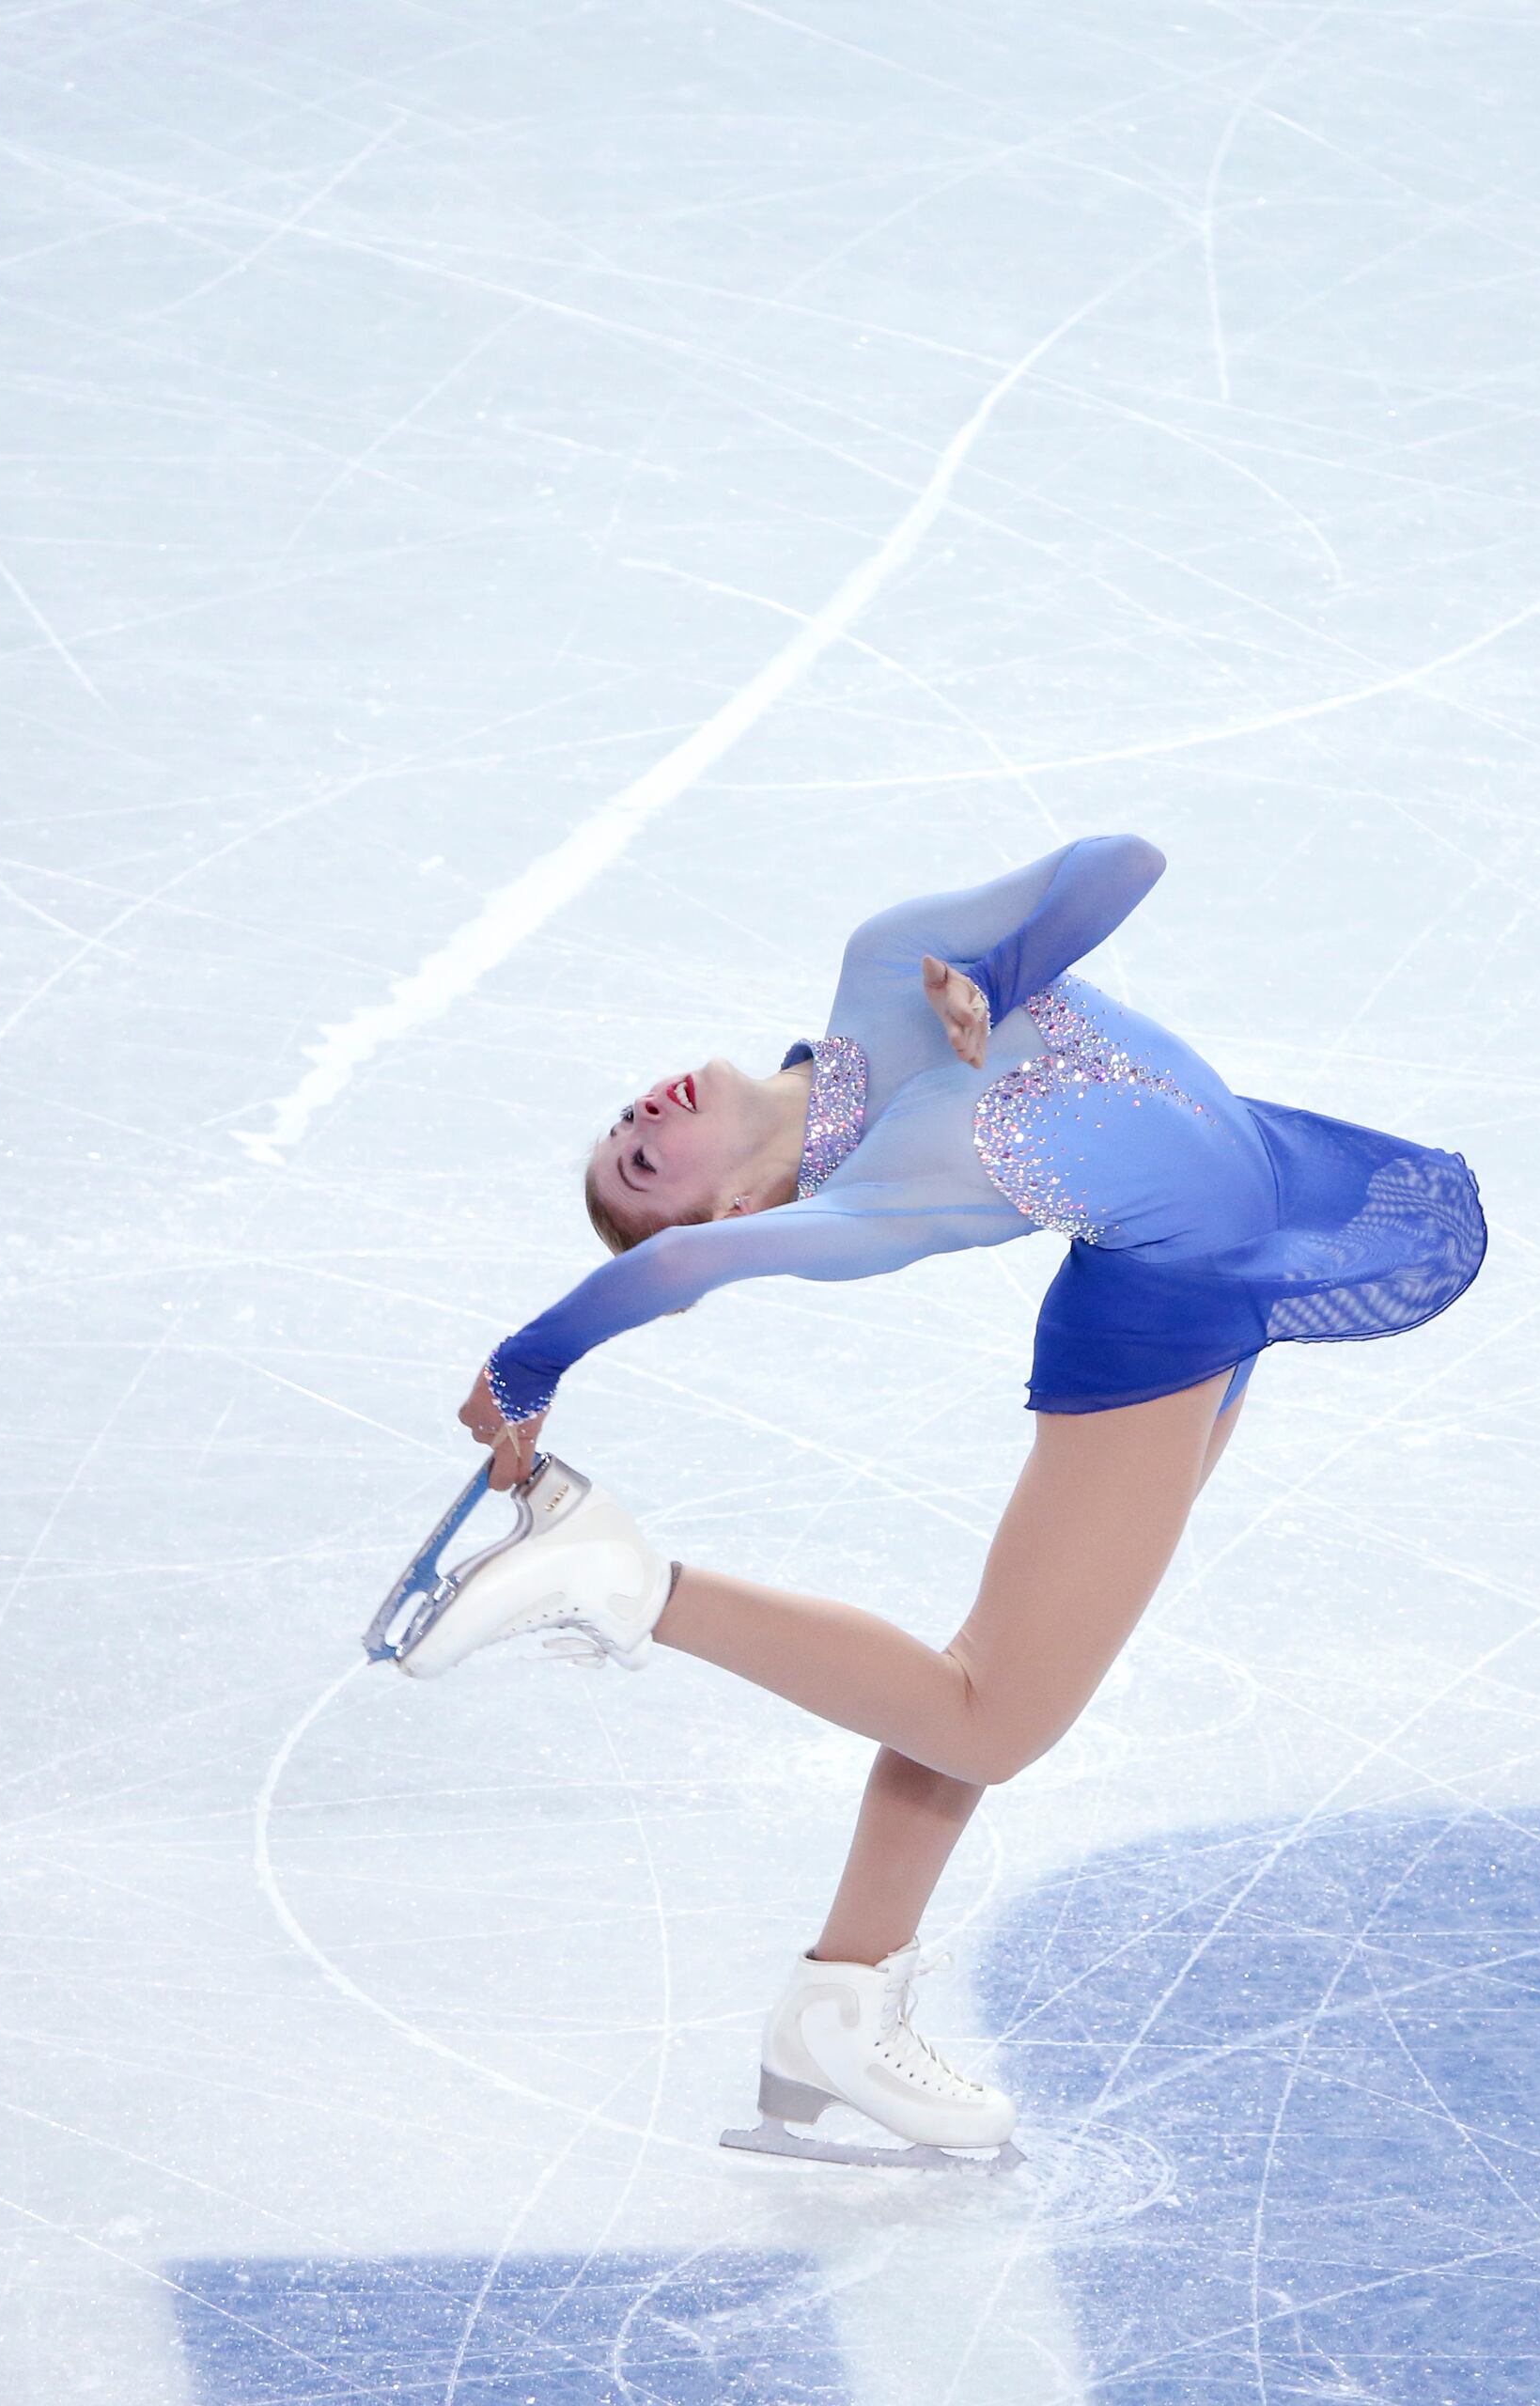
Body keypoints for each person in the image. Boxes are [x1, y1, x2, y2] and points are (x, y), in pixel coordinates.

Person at [432, 835, 1486, 2168]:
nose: (634, 1124)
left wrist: (1005, 966)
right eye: (641, 1171)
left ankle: (839, 2009)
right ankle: (627, 1580)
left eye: (625, 1129)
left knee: (983, 1689)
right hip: (1162, 1311)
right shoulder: (876, 1199)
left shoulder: (884, 965)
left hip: (1246, 1243)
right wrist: (529, 1364)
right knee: (991, 1716)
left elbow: (1123, 861)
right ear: (737, 1202)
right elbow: (672, 1277)